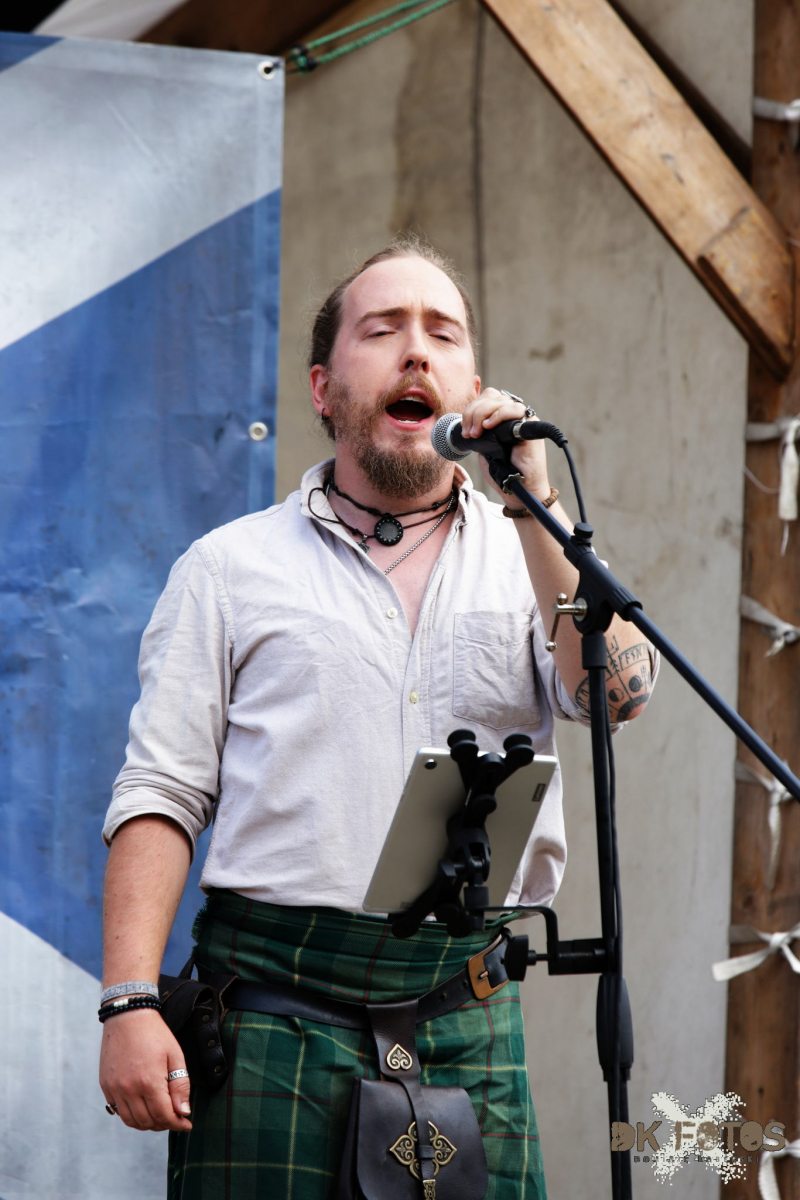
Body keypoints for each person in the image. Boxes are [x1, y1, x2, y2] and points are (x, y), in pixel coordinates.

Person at [98, 236, 655, 1199]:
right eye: (383, 329)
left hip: (465, 1002)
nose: (417, 351)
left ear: (472, 387)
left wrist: (535, 502)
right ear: (323, 388)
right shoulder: (229, 569)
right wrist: (128, 1001)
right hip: (276, 1008)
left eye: (443, 332)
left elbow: (614, 697)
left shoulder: (533, 555)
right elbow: (162, 792)